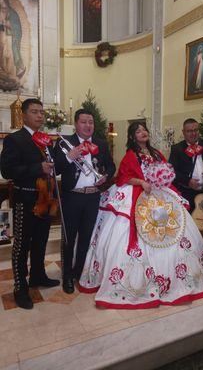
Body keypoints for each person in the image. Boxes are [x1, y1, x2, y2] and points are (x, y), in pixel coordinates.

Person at [78, 121, 203, 308]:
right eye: (138, 131)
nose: (142, 132)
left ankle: (177, 278)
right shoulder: (130, 155)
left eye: (144, 129)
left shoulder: (157, 153)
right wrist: (141, 182)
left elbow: (168, 171)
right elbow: (123, 177)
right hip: (139, 196)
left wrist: (164, 178)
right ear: (132, 137)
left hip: (161, 195)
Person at [0, 98, 60, 310]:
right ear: (24, 115)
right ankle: (20, 287)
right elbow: (7, 171)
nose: (39, 115)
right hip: (25, 200)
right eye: (34, 112)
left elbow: (52, 167)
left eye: (41, 112)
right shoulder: (14, 139)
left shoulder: (45, 140)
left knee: (40, 241)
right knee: (21, 245)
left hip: (46, 199)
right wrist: (38, 167)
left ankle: (38, 275)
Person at [54, 109, 116, 294]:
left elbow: (111, 166)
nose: (88, 125)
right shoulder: (64, 143)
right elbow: (55, 169)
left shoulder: (101, 144)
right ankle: (66, 276)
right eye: (84, 122)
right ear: (75, 124)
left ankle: (78, 272)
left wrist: (105, 176)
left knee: (86, 238)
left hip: (93, 196)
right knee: (69, 239)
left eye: (91, 122)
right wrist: (69, 157)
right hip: (72, 196)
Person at [169, 118, 203, 272]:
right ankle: (189, 260)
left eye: (195, 130)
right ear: (183, 132)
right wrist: (187, 181)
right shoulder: (177, 149)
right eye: (189, 131)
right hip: (187, 194)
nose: (193, 133)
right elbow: (172, 171)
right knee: (188, 229)